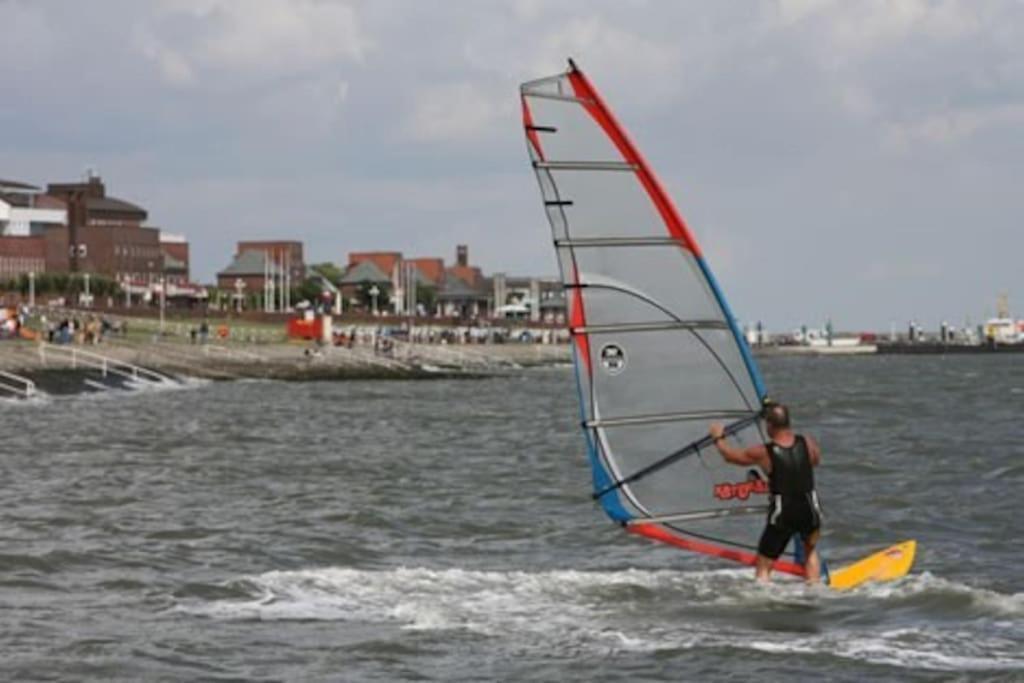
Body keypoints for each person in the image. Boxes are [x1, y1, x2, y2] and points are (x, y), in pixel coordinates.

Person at [709, 402, 823, 583]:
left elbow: (730, 457)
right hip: (810, 509)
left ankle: (764, 597)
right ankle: (816, 589)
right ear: (788, 422)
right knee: (810, 551)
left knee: (764, 563)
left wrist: (718, 437)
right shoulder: (807, 442)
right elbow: (814, 462)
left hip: (784, 512)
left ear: (769, 425)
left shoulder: (763, 452)